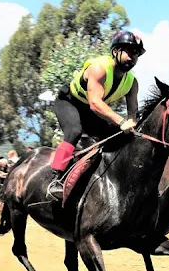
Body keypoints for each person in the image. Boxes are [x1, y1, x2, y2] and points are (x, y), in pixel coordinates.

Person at [46, 30, 145, 201]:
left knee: (117, 137)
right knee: (74, 131)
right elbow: (95, 103)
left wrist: (131, 124)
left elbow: (132, 115)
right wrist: (121, 121)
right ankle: (55, 179)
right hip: (69, 103)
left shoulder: (132, 83)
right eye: (128, 51)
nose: (132, 57)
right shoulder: (99, 69)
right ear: (115, 51)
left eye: (136, 53)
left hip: (92, 111)